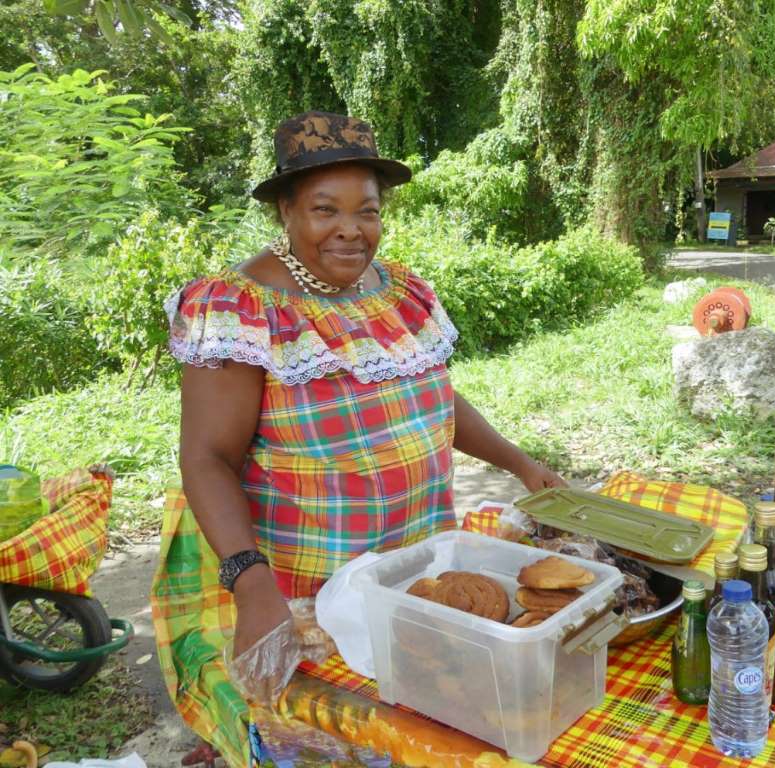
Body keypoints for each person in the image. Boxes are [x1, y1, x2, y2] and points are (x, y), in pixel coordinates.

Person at [152, 112, 566, 767]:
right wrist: (251, 586)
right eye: (324, 209)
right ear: (285, 211)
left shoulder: (400, 293)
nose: (350, 229)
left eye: (366, 211)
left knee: (423, 735)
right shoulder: (240, 309)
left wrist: (518, 461)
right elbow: (207, 457)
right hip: (312, 604)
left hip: (420, 583)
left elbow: (426, 397)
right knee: (336, 745)